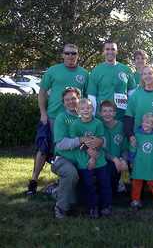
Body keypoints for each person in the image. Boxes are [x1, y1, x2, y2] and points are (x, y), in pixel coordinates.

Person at [27, 43, 89, 196]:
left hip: (74, 120)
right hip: (53, 118)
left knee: (69, 151)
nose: (70, 56)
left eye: (73, 53)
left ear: (77, 55)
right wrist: (43, 113)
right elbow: (41, 93)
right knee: (43, 149)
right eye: (67, 53)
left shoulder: (84, 74)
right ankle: (33, 181)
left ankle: (62, 183)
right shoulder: (53, 71)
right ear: (62, 55)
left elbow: (86, 98)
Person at [51, 87, 101, 219]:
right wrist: (80, 140)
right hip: (64, 159)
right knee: (71, 174)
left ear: (79, 99)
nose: (71, 102)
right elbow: (60, 143)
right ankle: (60, 208)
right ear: (63, 103)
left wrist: (94, 149)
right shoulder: (62, 118)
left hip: (84, 159)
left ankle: (58, 189)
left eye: (73, 98)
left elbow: (96, 139)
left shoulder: (89, 117)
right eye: (67, 100)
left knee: (78, 199)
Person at [70, 98, 112, 218]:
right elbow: (76, 142)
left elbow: (100, 141)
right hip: (84, 161)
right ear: (77, 111)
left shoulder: (98, 123)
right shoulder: (75, 125)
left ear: (92, 109)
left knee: (105, 183)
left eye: (88, 108)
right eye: (82, 108)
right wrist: (89, 154)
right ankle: (93, 207)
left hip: (100, 160)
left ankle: (106, 206)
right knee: (89, 185)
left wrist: (94, 158)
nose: (86, 110)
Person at [87, 41, 136, 120]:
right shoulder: (96, 71)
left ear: (117, 51)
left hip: (122, 117)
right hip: (101, 118)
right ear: (103, 52)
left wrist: (132, 113)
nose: (110, 52)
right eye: (107, 49)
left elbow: (132, 93)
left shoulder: (126, 69)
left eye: (113, 49)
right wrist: (92, 117)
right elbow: (92, 96)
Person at [129, 113, 153, 211]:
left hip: (151, 165)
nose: (144, 124)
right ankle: (135, 201)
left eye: (147, 123)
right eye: (143, 122)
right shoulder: (137, 135)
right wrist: (131, 160)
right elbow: (133, 148)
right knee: (136, 183)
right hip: (139, 164)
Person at [100, 100, 129, 197]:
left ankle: (120, 184)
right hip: (104, 160)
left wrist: (124, 160)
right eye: (104, 111)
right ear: (100, 113)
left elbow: (125, 147)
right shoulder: (98, 126)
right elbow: (99, 149)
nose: (107, 114)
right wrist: (114, 159)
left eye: (110, 111)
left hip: (119, 160)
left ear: (115, 113)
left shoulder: (121, 126)